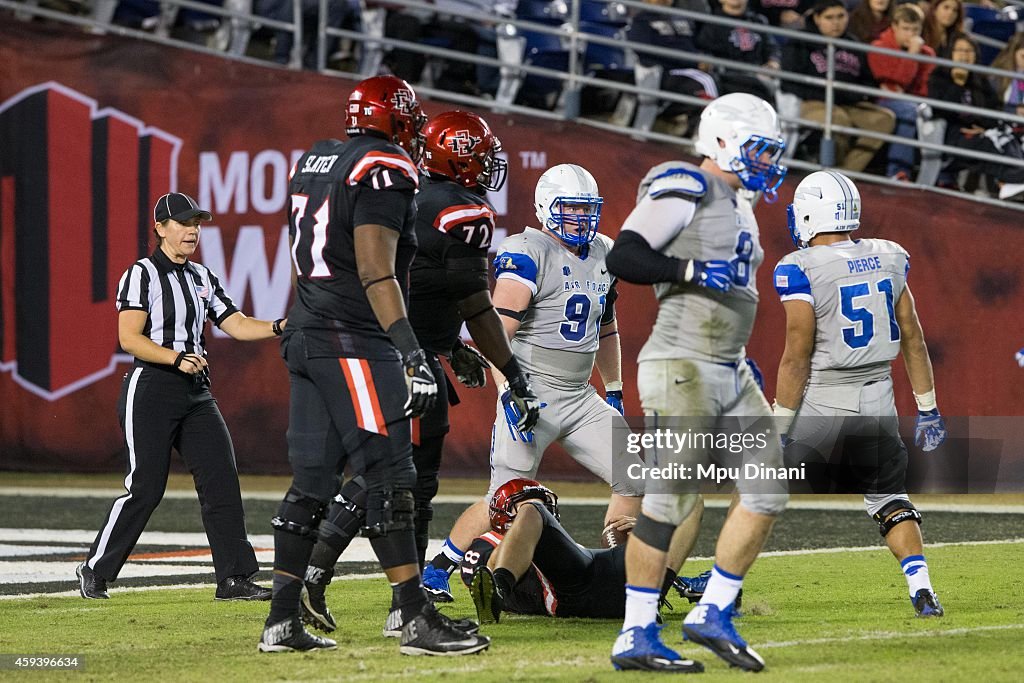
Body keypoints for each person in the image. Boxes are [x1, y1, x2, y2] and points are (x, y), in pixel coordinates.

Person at [257, 75, 490, 656]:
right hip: (353, 339)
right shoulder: (385, 165)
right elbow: (375, 270)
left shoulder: (316, 158)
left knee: (312, 483)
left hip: (308, 328)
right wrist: (411, 350)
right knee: (390, 474)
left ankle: (281, 622)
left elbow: (315, 257)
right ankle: (414, 619)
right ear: (398, 120)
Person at [297, 110, 541, 634]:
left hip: (377, 343)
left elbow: (423, 285)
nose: (489, 165)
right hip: (399, 353)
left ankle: (391, 600)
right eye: (480, 155)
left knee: (398, 476)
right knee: (397, 476)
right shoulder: (461, 210)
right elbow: (476, 304)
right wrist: (512, 373)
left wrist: (449, 345)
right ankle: (346, 588)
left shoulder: (418, 193)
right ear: (460, 157)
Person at [606, 92, 790, 673]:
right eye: (757, 149)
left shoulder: (737, 200)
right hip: (681, 361)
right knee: (670, 499)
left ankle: (713, 611)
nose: (766, 162)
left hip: (726, 364)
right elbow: (626, 255)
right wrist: (685, 269)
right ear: (720, 142)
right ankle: (635, 632)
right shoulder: (686, 182)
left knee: (767, 487)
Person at [421, 163, 645, 603]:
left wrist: (614, 389)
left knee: (635, 474)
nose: (581, 219)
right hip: (533, 391)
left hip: (580, 397)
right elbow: (495, 330)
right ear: (546, 209)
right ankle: (438, 569)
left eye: (587, 210)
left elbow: (606, 326)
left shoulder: (603, 251)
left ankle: (626, 569)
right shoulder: (528, 250)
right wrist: (509, 391)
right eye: (571, 210)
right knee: (503, 500)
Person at [77, 192, 278, 603]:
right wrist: (176, 358)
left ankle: (233, 579)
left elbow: (236, 324)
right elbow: (129, 337)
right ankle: (95, 568)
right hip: (151, 386)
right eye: (184, 223)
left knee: (221, 480)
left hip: (195, 391)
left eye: (197, 224)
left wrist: (281, 326)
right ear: (161, 229)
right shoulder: (142, 274)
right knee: (146, 487)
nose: (192, 231)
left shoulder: (201, 276)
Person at [772, 170, 947, 618]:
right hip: (878, 396)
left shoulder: (799, 266)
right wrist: (928, 408)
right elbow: (913, 338)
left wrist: (779, 425)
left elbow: (796, 355)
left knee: (752, 484)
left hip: (823, 398)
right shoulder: (889, 255)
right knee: (889, 497)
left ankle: (719, 591)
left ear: (811, 213)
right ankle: (921, 586)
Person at [463, 479, 705, 627]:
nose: (542, 507)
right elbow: (481, 569)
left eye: (543, 502)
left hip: (611, 576)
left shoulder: (558, 547)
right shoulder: (490, 542)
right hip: (570, 589)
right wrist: (499, 583)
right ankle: (499, 590)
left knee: (689, 498)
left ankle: (651, 596)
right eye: (524, 503)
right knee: (531, 515)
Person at [781, 0, 896, 172]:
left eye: (841, 16)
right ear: (818, 18)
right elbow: (789, 81)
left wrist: (855, 95)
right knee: (838, 120)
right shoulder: (801, 40)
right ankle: (832, 172)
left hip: (847, 102)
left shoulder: (853, 44)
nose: (836, 23)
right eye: (829, 17)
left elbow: (867, 81)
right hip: (811, 102)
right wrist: (827, 93)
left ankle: (845, 173)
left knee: (884, 119)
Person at [926, 34, 1024, 200]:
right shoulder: (939, 76)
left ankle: (1011, 183)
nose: (964, 56)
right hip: (953, 134)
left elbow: (992, 111)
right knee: (989, 144)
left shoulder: (979, 79)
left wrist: (983, 126)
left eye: (969, 51)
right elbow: (939, 111)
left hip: (978, 132)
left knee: (1007, 138)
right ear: (951, 53)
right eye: (960, 51)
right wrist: (958, 84)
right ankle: (1014, 180)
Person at [627, 0, 721, 133]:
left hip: (689, 70)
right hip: (664, 72)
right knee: (707, 82)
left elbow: (696, 45)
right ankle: (709, 134)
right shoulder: (643, 19)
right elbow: (646, 51)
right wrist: (693, 62)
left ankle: (699, 132)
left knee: (718, 81)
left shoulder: (682, 17)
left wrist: (702, 58)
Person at [869, 2, 936, 180]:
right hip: (884, 100)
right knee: (909, 110)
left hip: (914, 101)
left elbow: (924, 87)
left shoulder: (928, 53)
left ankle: (938, 178)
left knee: (931, 112)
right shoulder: (878, 47)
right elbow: (898, 82)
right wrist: (912, 55)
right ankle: (898, 172)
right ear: (894, 26)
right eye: (906, 29)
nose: (911, 35)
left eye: (915, 30)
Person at [696, 0, 780, 104]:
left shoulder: (758, 21)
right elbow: (704, 51)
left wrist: (773, 62)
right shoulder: (712, 23)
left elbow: (771, 48)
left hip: (758, 72)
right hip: (727, 76)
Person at [990, 32, 1024, 116]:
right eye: (1023, 57)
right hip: (1003, 124)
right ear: (1013, 53)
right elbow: (990, 106)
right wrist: (1014, 111)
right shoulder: (996, 76)